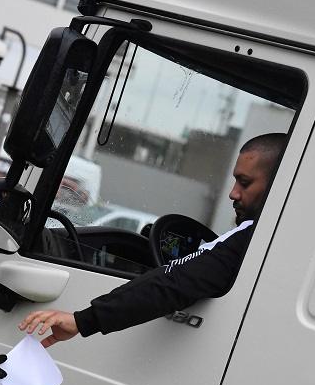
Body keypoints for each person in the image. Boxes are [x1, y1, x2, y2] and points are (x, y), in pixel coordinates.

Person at [20, 133, 287, 346]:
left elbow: (176, 280)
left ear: (278, 183)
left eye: (245, 182)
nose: (233, 194)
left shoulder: (252, 237)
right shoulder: (272, 239)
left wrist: (83, 320)